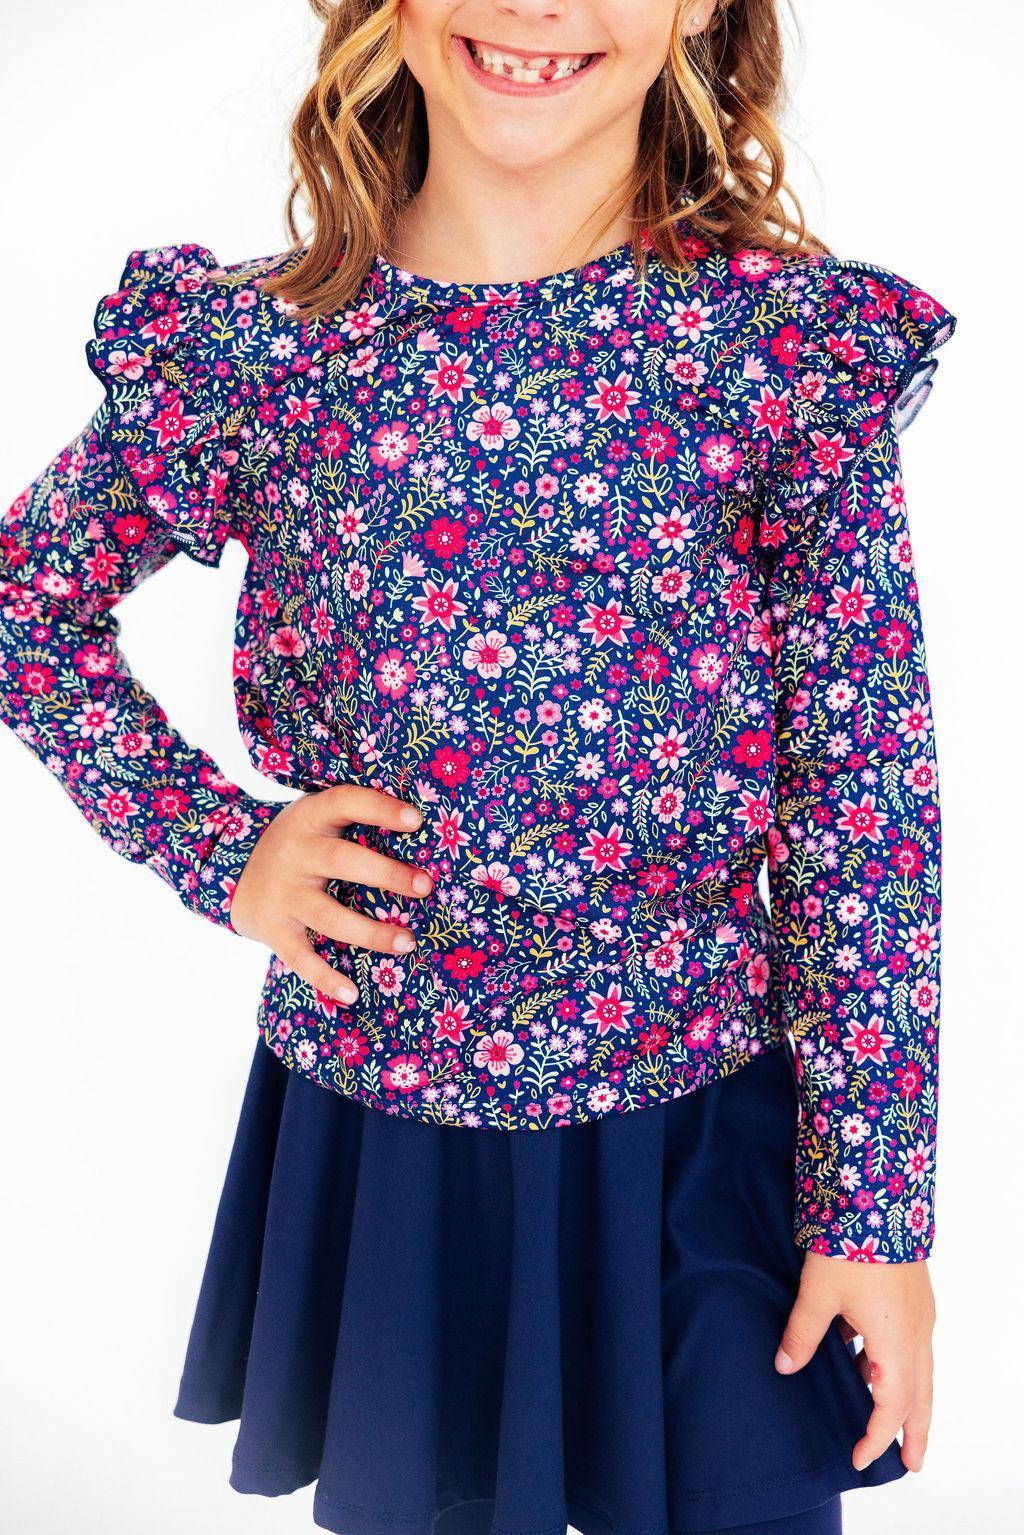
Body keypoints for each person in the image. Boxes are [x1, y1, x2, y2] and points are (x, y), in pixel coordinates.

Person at [0, 3, 957, 1532]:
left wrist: (875, 1212)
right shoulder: (262, 352)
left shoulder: (777, 352)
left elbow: (867, 795)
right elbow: (27, 608)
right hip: (391, 1135)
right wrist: (217, 848)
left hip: (701, 1123)